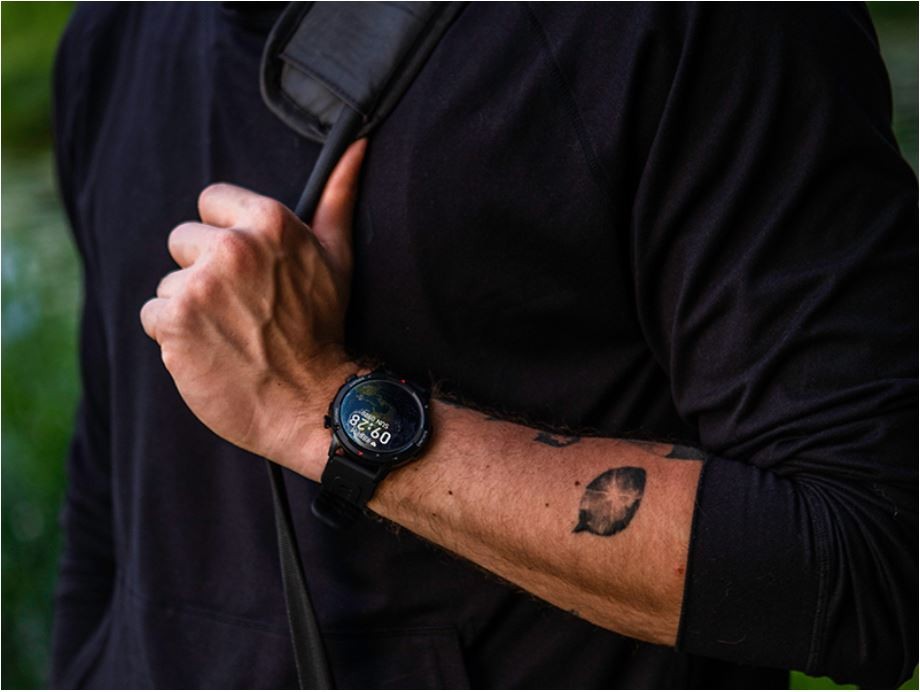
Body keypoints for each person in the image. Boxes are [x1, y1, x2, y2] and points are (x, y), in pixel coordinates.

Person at [50, 3, 916, 688]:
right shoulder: (113, 30)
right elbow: (110, 501)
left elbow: (871, 559)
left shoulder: (706, 21)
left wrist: (318, 404)